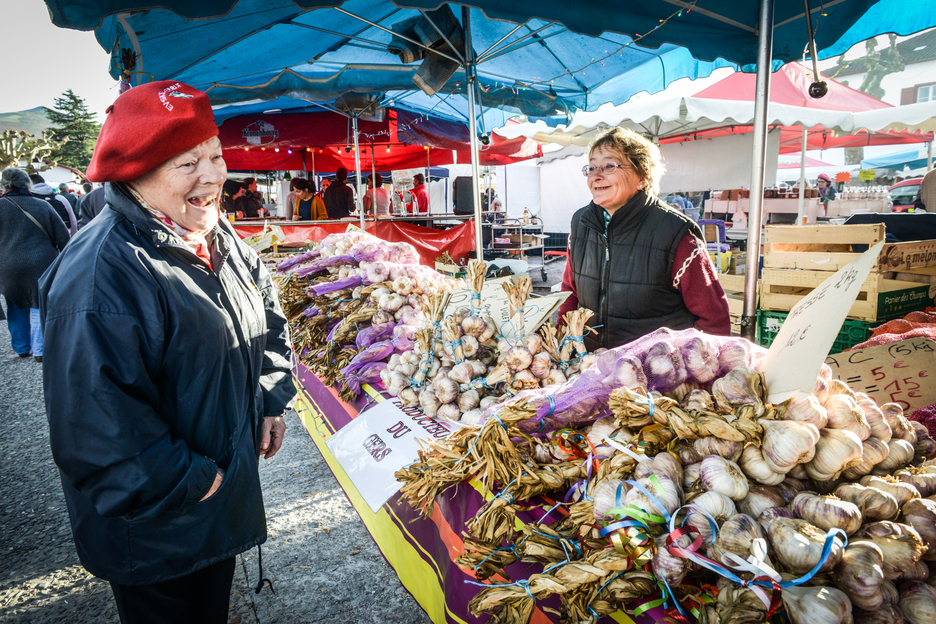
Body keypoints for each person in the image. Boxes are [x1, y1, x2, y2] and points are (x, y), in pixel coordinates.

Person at [37, 81, 294, 624]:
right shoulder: (101, 272)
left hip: (214, 498)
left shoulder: (214, 234)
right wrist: (195, 481)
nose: (214, 175)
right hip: (157, 520)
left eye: (216, 155)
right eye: (187, 163)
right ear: (136, 172)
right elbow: (96, 424)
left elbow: (266, 315)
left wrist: (271, 396)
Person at [557, 127, 730, 348]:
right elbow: (570, 294)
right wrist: (561, 344)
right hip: (590, 365)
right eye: (591, 167)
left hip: (656, 374)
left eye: (609, 166)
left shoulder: (676, 233)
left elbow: (714, 319)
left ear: (643, 177)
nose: (596, 176)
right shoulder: (581, 223)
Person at [1, 167, 69, 361]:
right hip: (41, 261)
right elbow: (63, 238)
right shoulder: (42, 206)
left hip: (8, 265)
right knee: (38, 303)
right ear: (27, 184)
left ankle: (22, 347)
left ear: (5, 185)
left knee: (15, 303)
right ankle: (40, 350)